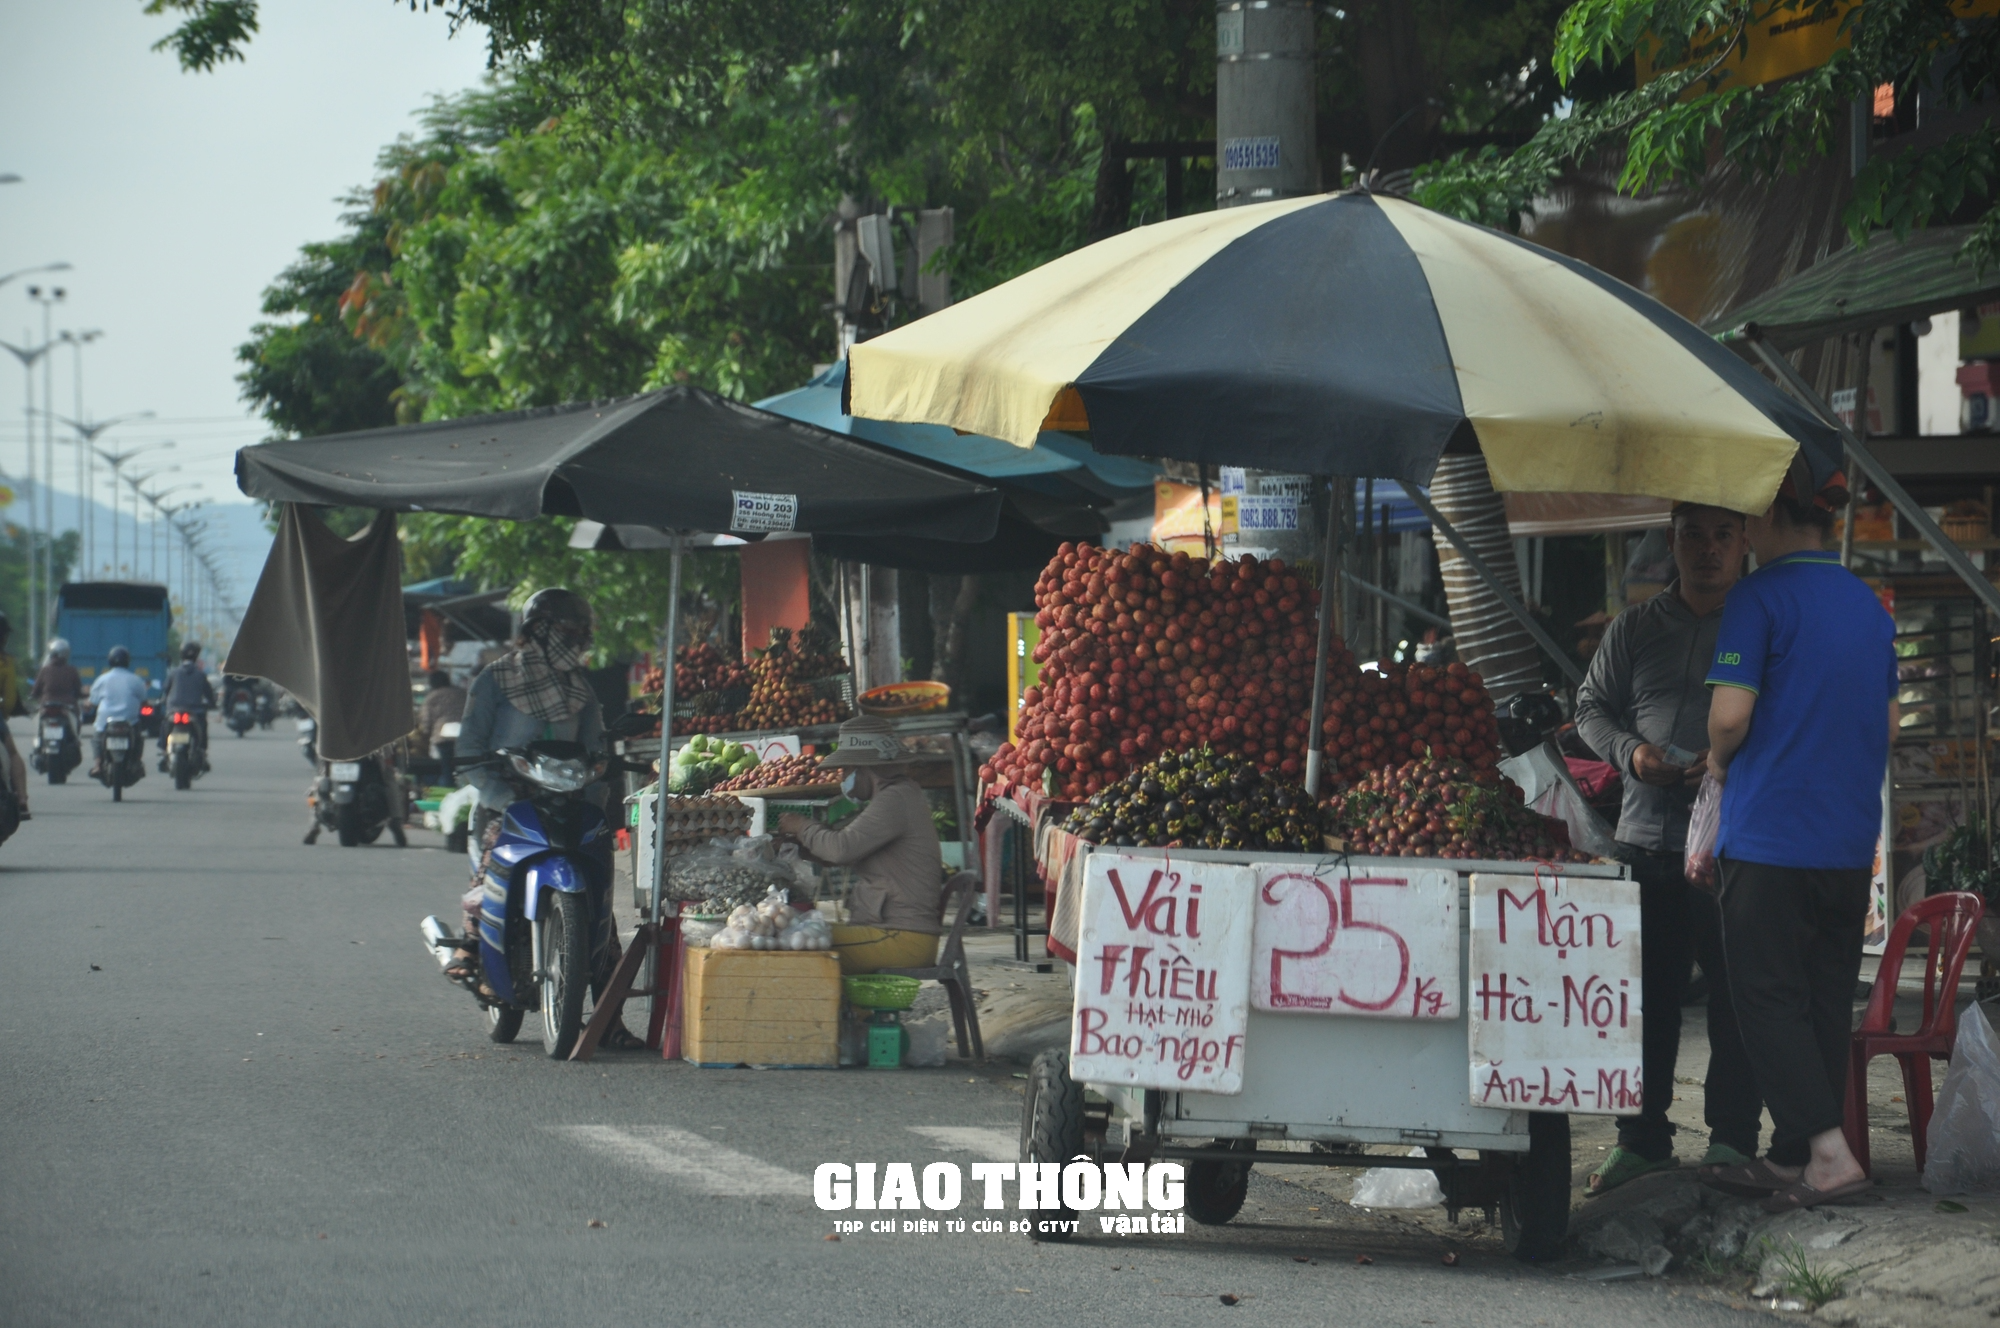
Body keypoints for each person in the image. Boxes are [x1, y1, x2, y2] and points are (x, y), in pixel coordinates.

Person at [1701, 470, 1896, 1213]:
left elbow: (1728, 719)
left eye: (1747, 517)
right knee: (1819, 998)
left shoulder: (1758, 597)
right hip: (1848, 843)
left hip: (1771, 837)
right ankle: (1794, 1157)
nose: (1742, 533)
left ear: (1769, 514)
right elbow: (1887, 729)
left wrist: (1718, 764)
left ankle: (1827, 1153)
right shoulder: (1869, 606)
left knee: (1765, 994)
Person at [1574, 504, 1765, 1194]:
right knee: (1644, 1001)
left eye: (1722, 535)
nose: (1707, 550)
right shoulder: (1636, 627)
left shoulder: (1762, 623)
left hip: (1736, 844)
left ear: (1745, 541)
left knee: (1736, 999)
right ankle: (1643, 1140)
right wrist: (1634, 754)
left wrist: (1727, 764)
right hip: (1648, 840)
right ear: (1672, 542)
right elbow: (1590, 707)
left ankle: (1734, 1140)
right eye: (1693, 535)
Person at [451, 588, 640, 1048]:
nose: (575, 640)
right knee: (493, 858)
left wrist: (601, 782)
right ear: (538, 630)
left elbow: (597, 747)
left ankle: (610, 1019)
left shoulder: (581, 686)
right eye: (566, 631)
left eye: (579, 632)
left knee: (600, 908)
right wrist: (498, 790)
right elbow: (469, 751)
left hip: (569, 805)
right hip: (506, 803)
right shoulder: (496, 679)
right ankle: (470, 946)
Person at [778, 716, 943, 975]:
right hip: (894, 933)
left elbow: (841, 848)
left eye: (847, 770)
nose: (844, 777)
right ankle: (853, 1015)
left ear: (866, 769)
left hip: (902, 938)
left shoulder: (896, 798)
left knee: (796, 945)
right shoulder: (898, 796)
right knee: (800, 937)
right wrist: (805, 849)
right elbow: (840, 854)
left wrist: (801, 826)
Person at [88, 645, 150, 777]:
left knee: (97, 739)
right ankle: (136, 761)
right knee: (138, 738)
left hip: (105, 721)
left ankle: (97, 765)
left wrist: (86, 705)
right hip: (130, 721)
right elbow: (144, 701)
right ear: (127, 661)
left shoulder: (102, 679)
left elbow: (92, 702)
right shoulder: (135, 680)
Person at [159, 642, 217, 767]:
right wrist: (212, 704)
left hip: (173, 710)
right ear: (196, 656)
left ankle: (164, 751)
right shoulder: (200, 674)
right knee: (202, 728)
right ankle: (202, 752)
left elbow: (165, 691)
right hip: (195, 712)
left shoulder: (173, 673)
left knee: (164, 726)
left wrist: (163, 701)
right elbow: (209, 695)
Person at [420, 669, 467, 785]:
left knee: (447, 767)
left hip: (442, 737)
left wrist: (425, 732)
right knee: (465, 765)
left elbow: (426, 720)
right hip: (465, 734)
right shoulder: (462, 693)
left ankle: (449, 790)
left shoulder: (431, 697)